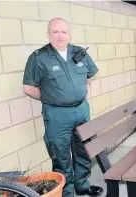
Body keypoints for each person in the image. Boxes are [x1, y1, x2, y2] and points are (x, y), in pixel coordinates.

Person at [22, 18, 103, 197]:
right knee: (61, 156)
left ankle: (82, 185)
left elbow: (92, 74)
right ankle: (66, 193)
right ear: (48, 34)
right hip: (57, 115)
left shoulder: (79, 52)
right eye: (55, 32)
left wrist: (78, 88)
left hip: (82, 110)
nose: (60, 36)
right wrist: (52, 97)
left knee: (83, 150)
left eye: (63, 32)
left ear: (69, 34)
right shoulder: (39, 57)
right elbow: (28, 88)